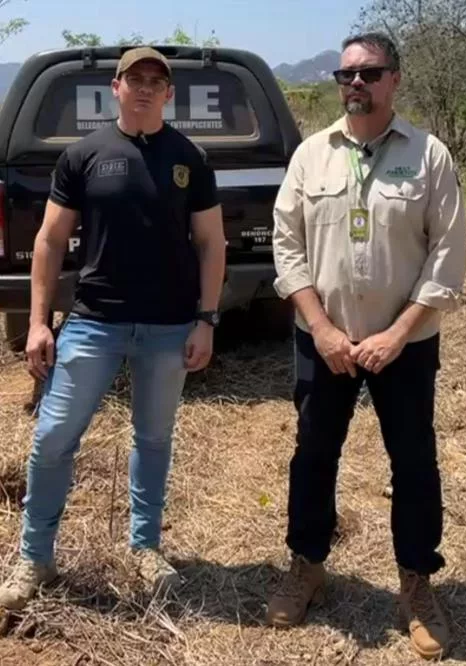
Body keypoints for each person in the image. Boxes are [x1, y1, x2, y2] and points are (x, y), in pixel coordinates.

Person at [0, 47, 226, 609]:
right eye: (135, 78)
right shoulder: (83, 155)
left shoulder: (190, 157)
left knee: (154, 439)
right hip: (93, 322)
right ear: (116, 87)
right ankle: (35, 558)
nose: (145, 87)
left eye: (156, 80)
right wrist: (38, 322)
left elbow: (211, 243)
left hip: (169, 326)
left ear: (168, 93)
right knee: (53, 438)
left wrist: (206, 320)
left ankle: (145, 548)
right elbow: (50, 241)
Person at [268, 31, 466, 660]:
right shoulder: (311, 156)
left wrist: (397, 333)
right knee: (313, 454)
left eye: (370, 73)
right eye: (346, 74)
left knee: (413, 461)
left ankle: (417, 584)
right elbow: (287, 246)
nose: (356, 83)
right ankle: (307, 566)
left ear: (395, 80)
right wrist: (322, 327)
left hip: (403, 344)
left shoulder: (429, 156)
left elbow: (446, 257)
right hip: (323, 340)